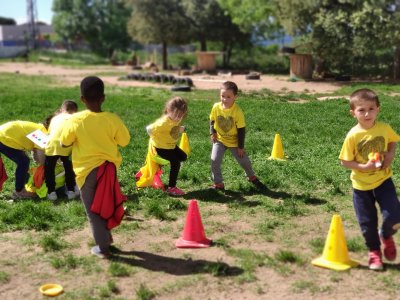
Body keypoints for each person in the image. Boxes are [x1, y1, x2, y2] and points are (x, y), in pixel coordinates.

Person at [59, 76, 130, 258]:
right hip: (108, 169)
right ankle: (106, 238)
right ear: (103, 98)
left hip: (86, 172)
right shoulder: (112, 119)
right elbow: (125, 140)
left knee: (93, 212)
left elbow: (64, 142)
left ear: (82, 99)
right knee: (106, 204)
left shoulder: (75, 120)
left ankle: (103, 247)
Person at [339, 88, 400, 271]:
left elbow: (392, 140)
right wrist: (363, 167)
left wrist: (390, 154)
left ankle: (386, 235)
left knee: (394, 216)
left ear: (378, 109)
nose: (367, 113)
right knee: (367, 223)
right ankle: (374, 252)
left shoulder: (384, 128)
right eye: (361, 110)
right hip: (361, 187)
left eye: (371, 109)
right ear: (353, 113)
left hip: (383, 180)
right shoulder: (353, 136)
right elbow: (345, 161)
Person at [209, 81, 264, 190]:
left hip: (235, 141)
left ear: (235, 97)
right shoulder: (216, 107)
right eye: (222, 96)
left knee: (245, 161)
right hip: (220, 140)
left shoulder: (237, 111)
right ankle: (218, 183)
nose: (225, 99)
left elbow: (241, 130)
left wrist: (240, 147)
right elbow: (212, 120)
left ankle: (251, 176)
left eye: (228, 97)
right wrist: (213, 133)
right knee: (214, 160)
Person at [145, 96, 188, 196]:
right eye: (177, 115)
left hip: (171, 146)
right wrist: (154, 139)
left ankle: (169, 166)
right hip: (161, 148)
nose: (178, 118)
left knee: (183, 157)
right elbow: (149, 129)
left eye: (181, 115)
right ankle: (171, 188)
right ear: (168, 110)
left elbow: (172, 127)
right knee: (176, 162)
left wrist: (179, 129)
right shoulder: (162, 123)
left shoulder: (175, 119)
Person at [0, 120, 47, 199]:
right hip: (5, 138)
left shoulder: (39, 128)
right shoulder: (43, 133)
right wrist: (45, 166)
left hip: (4, 134)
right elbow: (40, 155)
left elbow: (36, 150)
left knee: (24, 161)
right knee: (23, 162)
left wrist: (38, 160)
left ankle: (23, 186)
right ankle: (19, 191)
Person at [45, 100, 79, 201]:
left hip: (52, 146)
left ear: (62, 109)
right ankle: (71, 191)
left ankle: (51, 192)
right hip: (67, 145)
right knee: (69, 169)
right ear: (75, 111)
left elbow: (50, 132)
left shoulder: (55, 118)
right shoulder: (75, 119)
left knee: (49, 170)